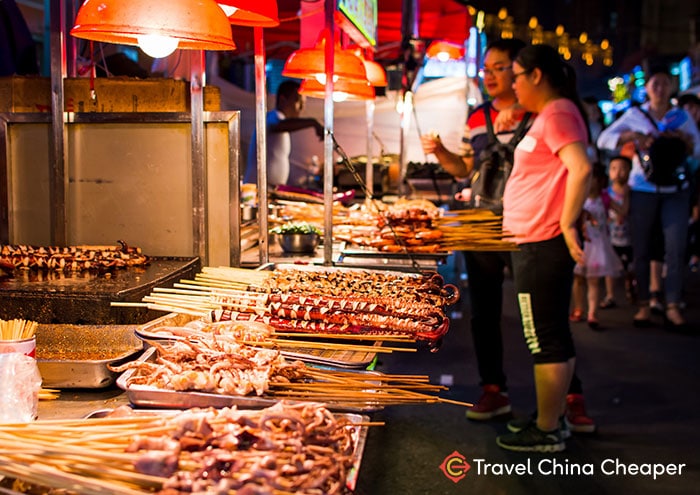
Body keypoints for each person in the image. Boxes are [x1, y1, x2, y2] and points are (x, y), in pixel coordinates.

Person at [421, 40, 595, 434]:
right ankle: (497, 391)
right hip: (485, 223)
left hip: (534, 231)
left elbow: (576, 167)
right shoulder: (481, 116)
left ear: (528, 73)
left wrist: (569, 221)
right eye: (489, 70)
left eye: (505, 69)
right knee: (491, 314)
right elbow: (465, 170)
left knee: (544, 322)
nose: (497, 77)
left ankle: (564, 407)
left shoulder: (545, 112)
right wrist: (442, 153)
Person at [495, 44, 592, 452]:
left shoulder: (559, 113)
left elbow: (581, 167)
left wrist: (567, 223)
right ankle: (551, 419)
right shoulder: (551, 115)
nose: (512, 84)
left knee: (543, 337)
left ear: (536, 76)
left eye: (516, 75)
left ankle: (548, 430)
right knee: (553, 333)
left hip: (541, 241)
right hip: (533, 241)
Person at [597, 67, 700, 330]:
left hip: (675, 189)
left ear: (672, 86)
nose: (660, 88)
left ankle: (673, 305)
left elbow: (697, 148)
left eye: (665, 83)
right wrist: (632, 136)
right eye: (656, 83)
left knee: (675, 248)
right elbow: (604, 139)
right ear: (648, 87)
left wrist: (684, 140)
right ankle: (644, 304)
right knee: (641, 247)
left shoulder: (682, 116)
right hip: (643, 188)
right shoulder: (635, 115)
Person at [570, 163, 623, 328]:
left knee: (593, 280)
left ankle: (592, 312)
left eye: (593, 178)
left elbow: (622, 211)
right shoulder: (578, 196)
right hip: (582, 244)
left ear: (600, 181)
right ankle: (579, 307)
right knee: (578, 280)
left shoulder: (605, 199)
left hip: (598, 245)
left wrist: (625, 198)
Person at [244, 80, 324, 187]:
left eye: (303, 104)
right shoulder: (273, 117)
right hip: (258, 189)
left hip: (271, 188)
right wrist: (313, 122)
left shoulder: (281, 122)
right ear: (283, 100)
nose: (301, 108)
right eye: (297, 101)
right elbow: (278, 125)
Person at [602, 155, 635, 305]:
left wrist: (627, 195)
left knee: (630, 267)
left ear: (630, 171)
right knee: (610, 267)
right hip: (610, 236)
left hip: (629, 237)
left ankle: (631, 290)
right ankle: (610, 295)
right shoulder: (605, 193)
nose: (618, 172)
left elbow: (627, 212)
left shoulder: (634, 192)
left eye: (623, 168)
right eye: (614, 168)